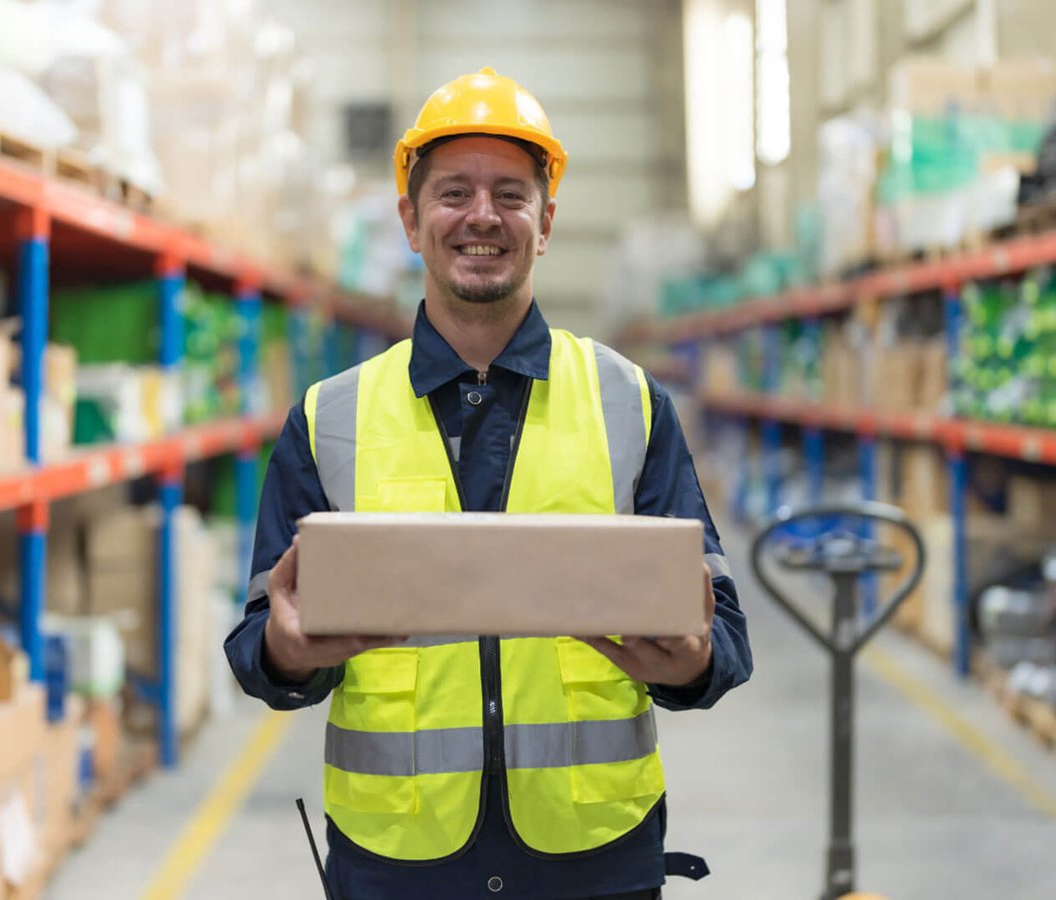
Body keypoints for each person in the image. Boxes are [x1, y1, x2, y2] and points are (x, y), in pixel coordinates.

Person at [225, 67, 753, 900]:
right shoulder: (330, 419)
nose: (481, 216)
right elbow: (258, 642)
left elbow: (723, 638)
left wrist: (688, 663)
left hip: (594, 857)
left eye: (510, 194)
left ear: (545, 222)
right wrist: (285, 653)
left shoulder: (629, 404)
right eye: (452, 193)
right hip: (397, 859)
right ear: (409, 219)